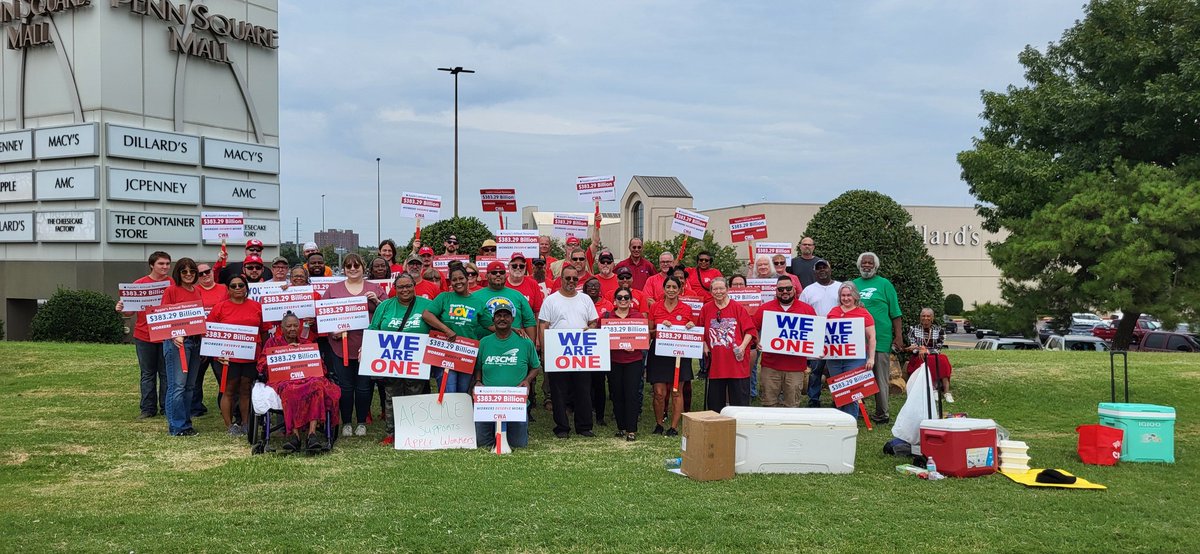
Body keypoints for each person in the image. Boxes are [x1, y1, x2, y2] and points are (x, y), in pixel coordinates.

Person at [258, 312, 341, 453]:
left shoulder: (307, 344)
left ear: (300, 327)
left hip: (307, 378)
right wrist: (285, 352)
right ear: (282, 328)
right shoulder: (272, 343)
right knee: (290, 390)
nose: (292, 329)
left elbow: (321, 367)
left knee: (317, 386)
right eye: (288, 326)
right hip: (284, 379)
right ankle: (294, 436)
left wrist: (300, 352)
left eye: (295, 325)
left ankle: (312, 434)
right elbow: (261, 365)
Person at [322, 253, 385, 437]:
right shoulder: (333, 290)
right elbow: (324, 316)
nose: (352, 269)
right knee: (345, 386)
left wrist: (376, 301)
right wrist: (331, 332)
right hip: (341, 346)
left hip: (367, 344)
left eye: (356, 266)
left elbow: (388, 312)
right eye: (348, 266)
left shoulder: (374, 288)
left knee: (364, 386)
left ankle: (362, 422)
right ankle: (347, 422)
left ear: (363, 267)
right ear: (344, 269)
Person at [369, 272, 432, 444]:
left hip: (417, 359)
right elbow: (373, 328)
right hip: (391, 359)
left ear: (414, 287)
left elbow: (438, 327)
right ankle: (391, 432)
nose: (405, 290)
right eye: (401, 287)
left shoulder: (427, 305)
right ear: (394, 289)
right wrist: (365, 349)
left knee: (415, 395)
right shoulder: (385, 306)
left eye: (408, 286)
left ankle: (414, 430)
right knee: (392, 395)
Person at [538, 265, 599, 438]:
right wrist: (544, 349)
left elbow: (593, 321)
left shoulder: (585, 299)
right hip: (559, 352)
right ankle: (562, 427)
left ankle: (584, 426)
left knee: (583, 390)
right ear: (561, 279)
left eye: (574, 278)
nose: (571, 281)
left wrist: (591, 327)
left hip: (581, 353)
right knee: (558, 391)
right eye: (568, 278)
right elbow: (543, 325)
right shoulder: (551, 300)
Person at [471, 303, 540, 449]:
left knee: (518, 445)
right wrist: (478, 381)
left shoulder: (525, 342)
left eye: (506, 316)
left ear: (512, 318)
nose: (502, 319)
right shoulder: (484, 342)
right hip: (488, 404)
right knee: (482, 444)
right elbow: (478, 367)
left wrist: (527, 380)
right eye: (498, 316)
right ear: (493, 319)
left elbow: (536, 366)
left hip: (515, 403)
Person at [115, 251, 171, 419]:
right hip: (144, 335)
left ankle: (166, 408)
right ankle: (147, 409)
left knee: (166, 374)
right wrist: (121, 308)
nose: (165, 267)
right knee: (147, 374)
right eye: (161, 264)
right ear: (152, 265)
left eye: (167, 264)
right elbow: (129, 312)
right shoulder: (139, 284)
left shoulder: (172, 283)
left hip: (166, 334)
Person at [207, 274, 264, 435]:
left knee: (246, 389)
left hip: (251, 356)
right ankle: (229, 425)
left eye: (241, 285)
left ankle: (246, 423)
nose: (238, 288)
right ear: (228, 289)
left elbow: (264, 330)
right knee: (228, 390)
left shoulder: (256, 306)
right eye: (234, 286)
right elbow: (209, 331)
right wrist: (216, 352)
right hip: (227, 358)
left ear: (247, 287)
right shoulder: (220, 308)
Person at [422, 265, 494, 394]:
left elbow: (490, 325)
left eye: (461, 278)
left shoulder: (477, 302)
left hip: (467, 354)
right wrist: (446, 329)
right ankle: (447, 414)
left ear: (467, 279)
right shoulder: (444, 297)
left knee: (463, 391)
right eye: (454, 280)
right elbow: (427, 314)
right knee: (448, 391)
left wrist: (513, 329)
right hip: (445, 351)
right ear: (450, 282)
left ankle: (461, 414)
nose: (458, 282)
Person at [851, 252, 902, 424]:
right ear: (859, 265)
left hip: (881, 338)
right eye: (863, 263)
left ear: (876, 266)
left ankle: (882, 413)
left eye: (870, 263)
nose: (866, 265)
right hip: (856, 340)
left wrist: (899, 336)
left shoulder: (885, 284)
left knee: (880, 376)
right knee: (857, 376)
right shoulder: (853, 285)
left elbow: (896, 313)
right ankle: (858, 409)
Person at [753, 276, 817, 408]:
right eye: (781, 289)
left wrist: (817, 348)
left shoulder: (807, 309)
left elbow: (815, 334)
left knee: (792, 405)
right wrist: (757, 340)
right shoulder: (765, 309)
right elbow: (753, 328)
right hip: (770, 366)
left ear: (794, 289)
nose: (785, 291)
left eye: (788, 288)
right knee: (768, 404)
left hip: (796, 367)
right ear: (776, 291)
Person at [158, 257, 203, 436]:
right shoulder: (171, 290)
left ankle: (186, 422)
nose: (188, 275)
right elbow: (164, 316)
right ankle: (177, 426)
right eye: (184, 271)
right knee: (177, 386)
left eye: (192, 271)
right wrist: (174, 333)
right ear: (179, 273)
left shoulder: (197, 291)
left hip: (195, 341)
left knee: (190, 386)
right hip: (177, 343)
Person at [699, 277, 757, 413]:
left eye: (721, 288)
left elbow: (750, 331)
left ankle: (740, 426)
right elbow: (700, 329)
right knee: (715, 400)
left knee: (739, 400)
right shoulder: (706, 309)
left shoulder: (738, 308)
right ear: (711, 291)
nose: (718, 292)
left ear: (727, 289)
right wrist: (704, 345)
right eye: (715, 289)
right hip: (716, 362)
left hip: (736, 362)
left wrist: (742, 347)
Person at [647, 276, 695, 436]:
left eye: (675, 287)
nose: (671, 290)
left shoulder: (686, 308)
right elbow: (650, 332)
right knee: (659, 392)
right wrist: (661, 327)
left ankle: (673, 427)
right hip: (659, 353)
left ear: (680, 289)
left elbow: (693, 330)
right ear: (664, 288)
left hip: (679, 355)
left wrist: (690, 326)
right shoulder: (655, 307)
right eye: (668, 286)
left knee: (676, 391)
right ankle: (659, 424)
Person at [599, 288, 648, 441]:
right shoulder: (607, 317)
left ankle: (631, 429)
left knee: (632, 394)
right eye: (619, 297)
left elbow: (643, 338)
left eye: (626, 297)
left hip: (633, 361)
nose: (623, 300)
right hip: (614, 361)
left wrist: (636, 346)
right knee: (617, 394)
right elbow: (598, 337)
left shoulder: (638, 316)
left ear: (631, 300)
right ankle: (621, 427)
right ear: (614, 301)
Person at [824, 282, 877, 419]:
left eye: (849, 295)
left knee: (852, 391)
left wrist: (871, 358)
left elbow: (871, 337)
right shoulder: (833, 312)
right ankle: (840, 420)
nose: (846, 298)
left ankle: (851, 420)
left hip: (855, 358)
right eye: (843, 295)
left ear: (855, 296)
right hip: (834, 359)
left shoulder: (863, 313)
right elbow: (826, 335)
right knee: (839, 391)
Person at [799, 259, 840, 407]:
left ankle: (838, 399)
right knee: (816, 370)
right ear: (815, 272)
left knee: (835, 370)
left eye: (825, 267)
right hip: (815, 335)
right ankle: (813, 399)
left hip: (837, 335)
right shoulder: (808, 290)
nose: (822, 270)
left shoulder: (840, 287)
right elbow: (801, 312)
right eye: (819, 268)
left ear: (830, 269)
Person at [191, 262, 227, 417]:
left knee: (222, 375)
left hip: (219, 338)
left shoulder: (224, 288)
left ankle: (224, 404)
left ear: (213, 272)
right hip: (199, 338)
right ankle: (195, 406)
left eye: (207, 272)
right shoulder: (193, 291)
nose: (205, 275)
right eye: (200, 274)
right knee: (196, 375)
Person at [473, 260, 538, 345]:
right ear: (486, 276)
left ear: (505, 275)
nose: (498, 274)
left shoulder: (517, 295)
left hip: (514, 345)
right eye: (494, 272)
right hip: (483, 346)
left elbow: (529, 321)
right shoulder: (475, 297)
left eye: (501, 272)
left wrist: (531, 347)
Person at [906, 308, 954, 403]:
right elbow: (913, 346)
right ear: (920, 317)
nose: (925, 318)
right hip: (918, 355)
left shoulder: (939, 330)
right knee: (924, 360)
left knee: (943, 359)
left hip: (932, 353)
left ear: (932, 318)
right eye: (923, 316)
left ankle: (946, 392)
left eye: (928, 316)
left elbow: (939, 347)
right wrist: (920, 350)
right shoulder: (913, 329)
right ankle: (932, 389)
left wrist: (927, 350)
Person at [582, 276, 612, 425]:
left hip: (601, 349)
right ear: (585, 288)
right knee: (585, 383)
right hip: (583, 348)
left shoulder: (608, 305)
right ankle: (585, 412)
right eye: (590, 286)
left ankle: (600, 416)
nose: (593, 288)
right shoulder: (580, 302)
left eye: (596, 286)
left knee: (599, 383)